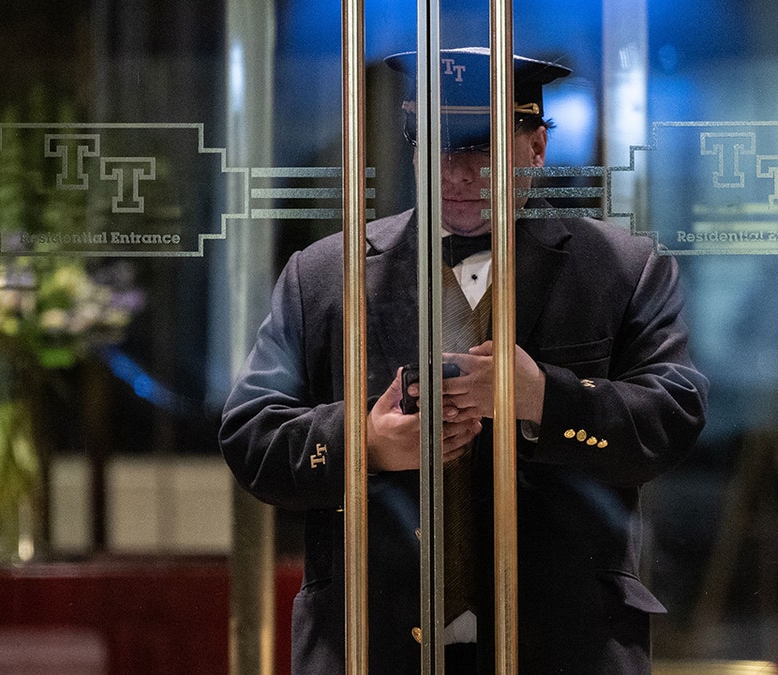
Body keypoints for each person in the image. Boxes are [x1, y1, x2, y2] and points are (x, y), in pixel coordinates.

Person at [220, 46, 708, 674]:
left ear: (535, 147)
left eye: (481, 150)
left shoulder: (623, 270)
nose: (456, 172)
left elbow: (674, 417)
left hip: (565, 645)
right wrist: (364, 441)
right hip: (370, 642)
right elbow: (249, 435)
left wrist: (543, 398)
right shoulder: (324, 276)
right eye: (439, 146)